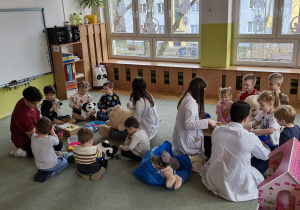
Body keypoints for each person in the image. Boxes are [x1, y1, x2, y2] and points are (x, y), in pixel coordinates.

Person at [201, 101, 270, 202]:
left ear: (230, 114)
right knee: (268, 157)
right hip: (235, 183)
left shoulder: (217, 130)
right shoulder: (248, 136)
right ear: (246, 119)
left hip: (213, 177)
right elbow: (265, 156)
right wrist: (266, 147)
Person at [173, 76, 218, 156]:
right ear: (198, 91)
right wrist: (207, 121)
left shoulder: (185, 96)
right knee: (210, 138)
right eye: (202, 91)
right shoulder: (191, 103)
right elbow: (189, 124)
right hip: (186, 143)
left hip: (180, 138)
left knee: (207, 122)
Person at [31, 117, 68, 182]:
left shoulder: (33, 137)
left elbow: (35, 133)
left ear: (36, 128)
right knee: (64, 162)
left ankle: (42, 171)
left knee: (55, 155)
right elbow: (57, 142)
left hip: (39, 165)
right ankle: (51, 173)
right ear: (50, 129)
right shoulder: (50, 139)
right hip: (50, 165)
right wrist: (52, 131)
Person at [9, 86, 43, 158]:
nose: (37, 106)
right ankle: (21, 152)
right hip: (22, 139)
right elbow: (33, 137)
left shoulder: (28, 100)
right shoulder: (24, 116)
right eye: (34, 103)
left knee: (55, 134)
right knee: (43, 151)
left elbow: (38, 116)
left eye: (38, 102)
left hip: (33, 129)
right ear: (25, 100)